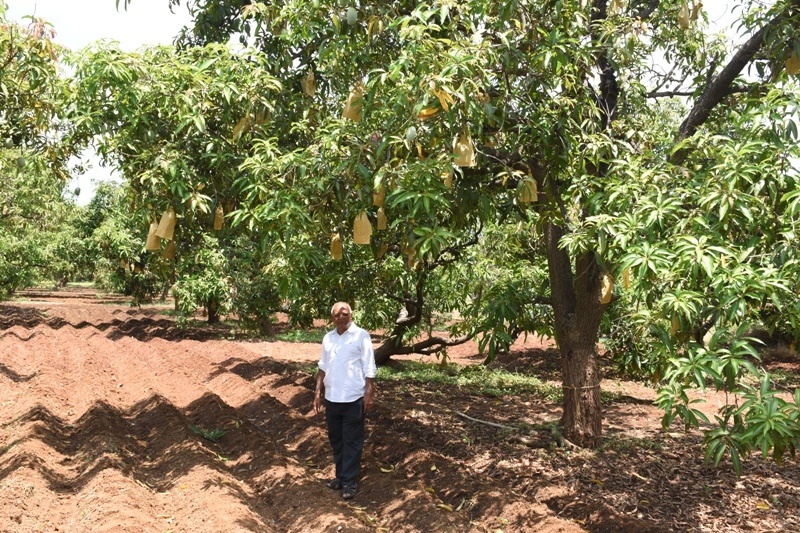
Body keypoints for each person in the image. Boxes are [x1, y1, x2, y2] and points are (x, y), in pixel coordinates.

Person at [313, 301, 377, 500]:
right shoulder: (328, 338)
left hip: (352, 397)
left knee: (352, 440)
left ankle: (349, 482)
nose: (341, 317)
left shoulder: (361, 336)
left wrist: (369, 392)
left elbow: (369, 366)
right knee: (336, 439)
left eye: (344, 313)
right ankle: (340, 477)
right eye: (336, 314)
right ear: (332, 318)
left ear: (351, 315)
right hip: (332, 397)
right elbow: (323, 367)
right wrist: (317, 392)